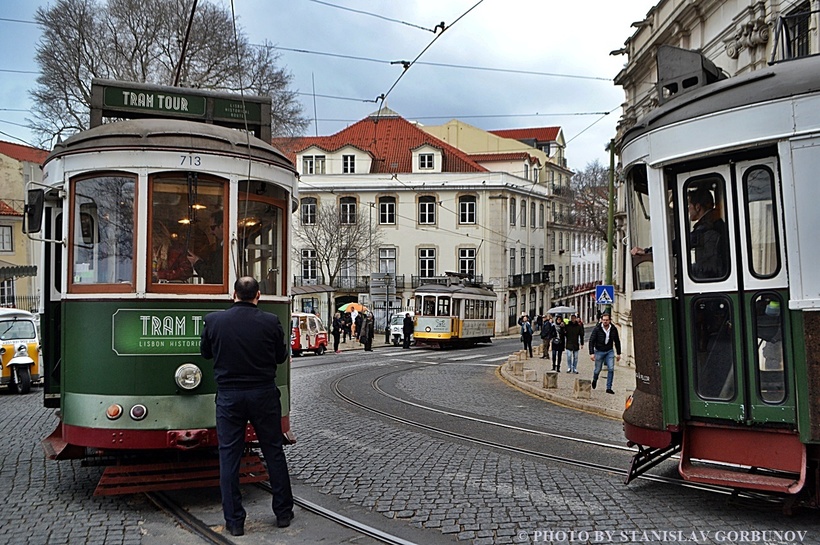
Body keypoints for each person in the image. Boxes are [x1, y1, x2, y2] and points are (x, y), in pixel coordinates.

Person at [199, 276, 294, 536]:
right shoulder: (270, 322)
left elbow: (206, 353)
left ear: (234, 295)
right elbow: (280, 356)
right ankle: (283, 513)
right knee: (273, 451)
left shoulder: (213, 321)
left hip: (229, 396)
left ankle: (234, 521)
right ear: (258, 296)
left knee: (229, 456)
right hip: (263, 393)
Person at [687, 186, 728, 279]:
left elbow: (709, 268)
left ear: (697, 207)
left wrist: (686, 270)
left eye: (689, 205)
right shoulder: (713, 223)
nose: (688, 209)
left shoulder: (708, 228)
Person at [588, 313, 621, 394]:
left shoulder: (613, 329)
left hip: (609, 351)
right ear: (601, 320)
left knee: (611, 368)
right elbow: (591, 341)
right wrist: (591, 353)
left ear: (609, 320)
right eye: (604, 320)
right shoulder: (597, 329)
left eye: (607, 320)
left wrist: (618, 353)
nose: (605, 321)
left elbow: (617, 341)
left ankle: (608, 388)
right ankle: (595, 379)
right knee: (597, 370)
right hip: (599, 351)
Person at [189, 210, 224, 284]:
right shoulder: (222, 248)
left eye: (213, 227)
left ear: (222, 226)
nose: (211, 232)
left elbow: (214, 277)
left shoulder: (226, 250)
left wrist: (197, 262)